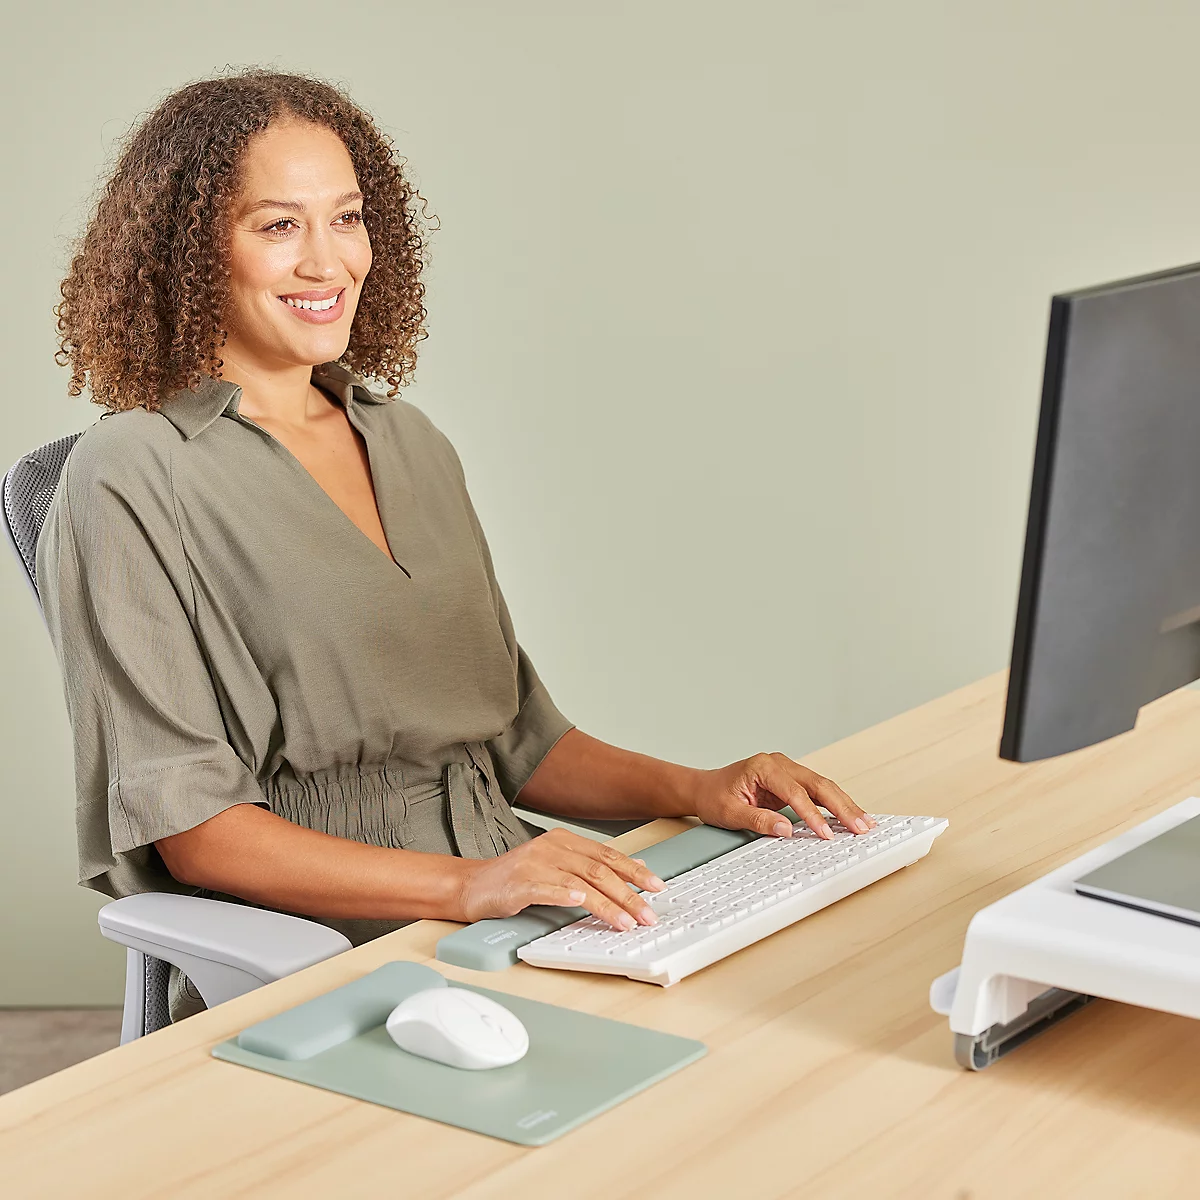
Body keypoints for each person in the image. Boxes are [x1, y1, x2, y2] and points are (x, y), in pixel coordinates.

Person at [39, 67, 874, 1022]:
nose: (328, 263)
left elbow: (520, 742)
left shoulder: (411, 442)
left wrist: (703, 789)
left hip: (511, 891)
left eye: (347, 218)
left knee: (806, 1004)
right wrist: (468, 888)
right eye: (278, 226)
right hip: (330, 942)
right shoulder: (130, 474)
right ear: (190, 252)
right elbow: (196, 833)